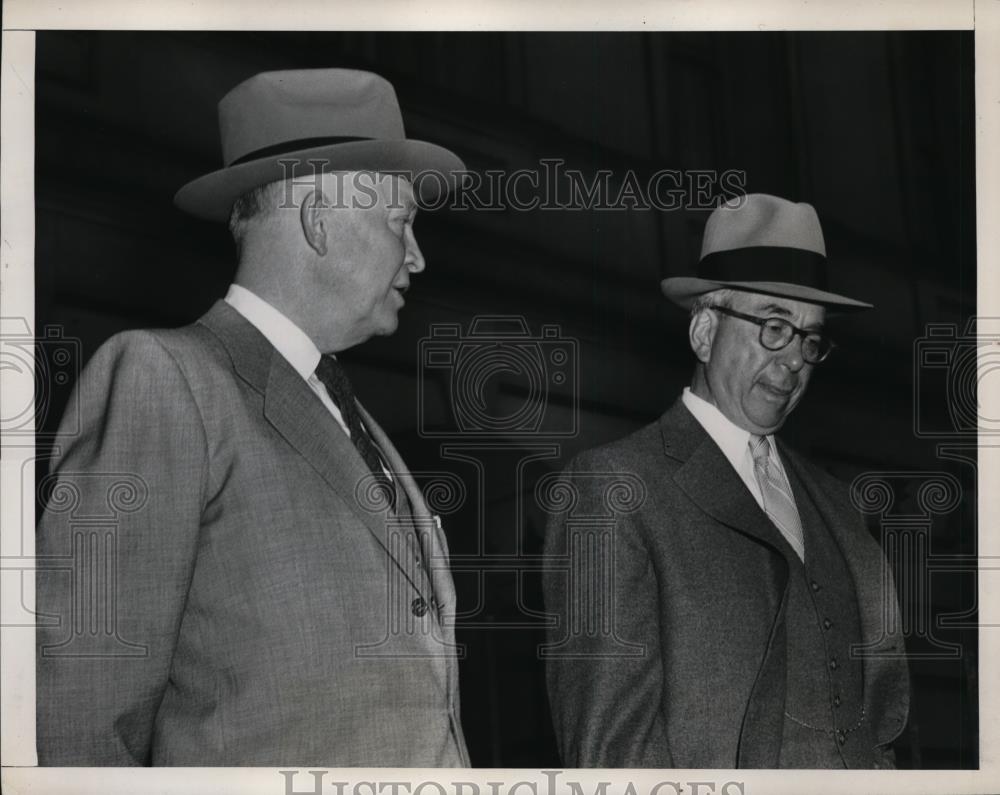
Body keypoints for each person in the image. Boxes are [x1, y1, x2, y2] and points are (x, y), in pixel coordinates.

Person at [36, 68, 470, 766]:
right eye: (401, 221)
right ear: (318, 220)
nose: (417, 256)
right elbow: (76, 722)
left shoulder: (357, 420)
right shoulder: (166, 381)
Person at [543, 193, 910, 769]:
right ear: (705, 333)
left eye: (810, 339)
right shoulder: (614, 489)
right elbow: (611, 756)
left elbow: (876, 724)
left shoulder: (835, 502)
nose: (793, 360)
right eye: (772, 326)